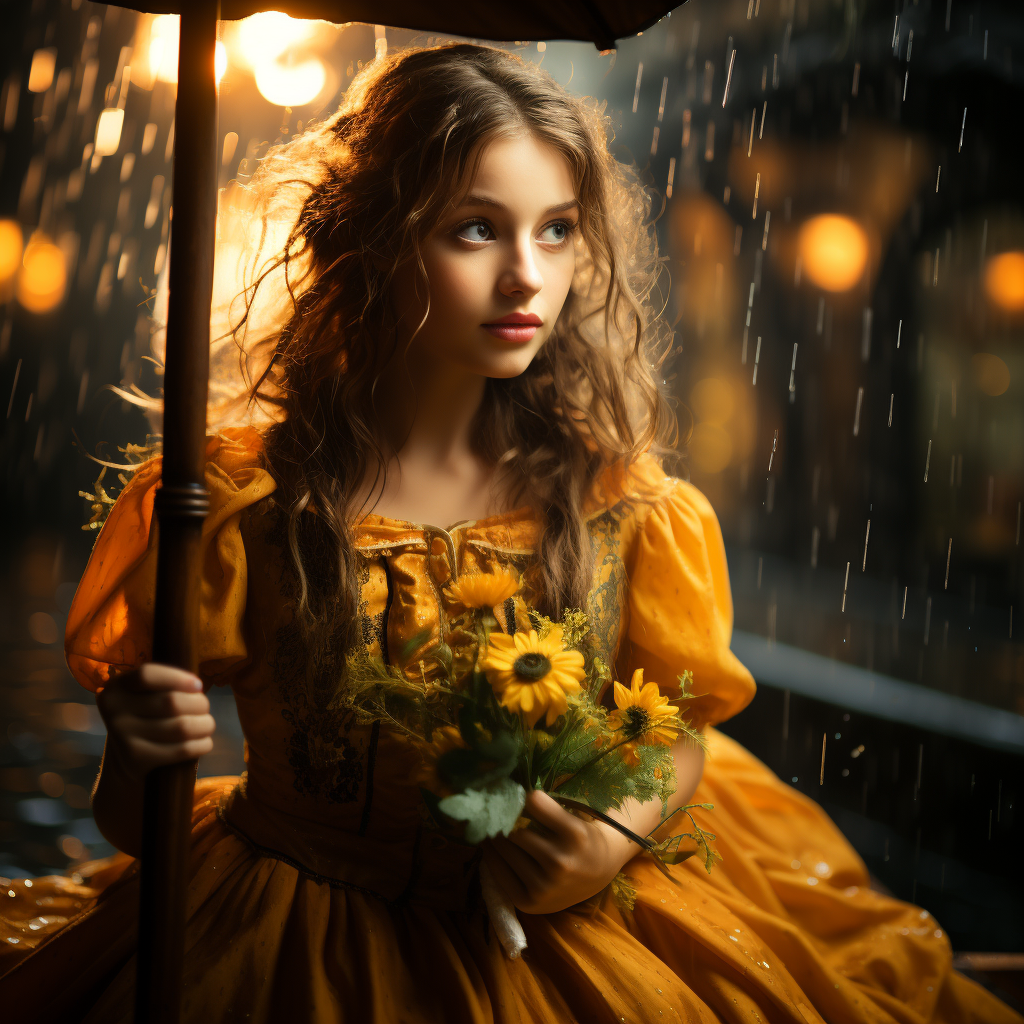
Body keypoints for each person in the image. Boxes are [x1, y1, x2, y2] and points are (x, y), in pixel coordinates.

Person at [0, 42, 1019, 1024]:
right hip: (289, 924)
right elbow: (141, 826)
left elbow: (674, 727)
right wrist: (132, 761)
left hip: (566, 933)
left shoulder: (620, 504)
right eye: (477, 229)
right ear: (371, 239)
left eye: (558, 229)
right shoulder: (243, 507)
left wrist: (613, 830)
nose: (528, 275)